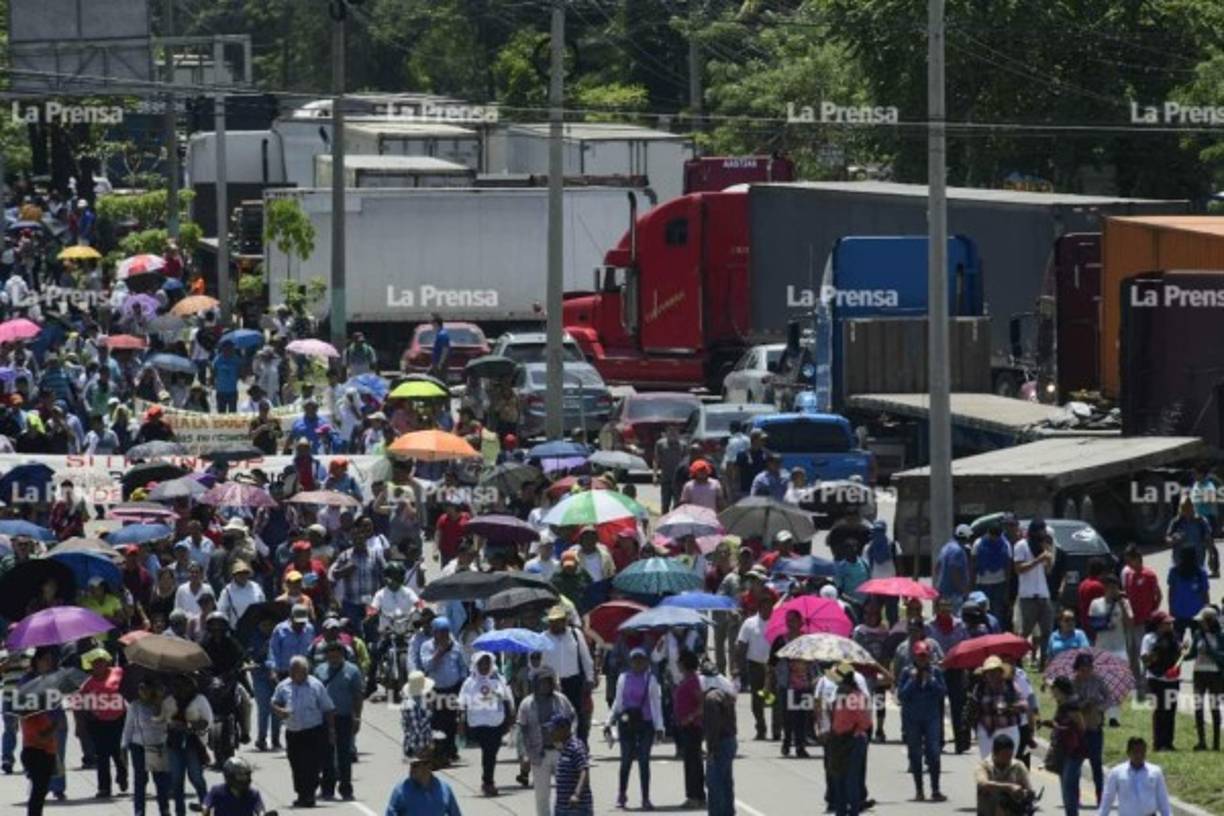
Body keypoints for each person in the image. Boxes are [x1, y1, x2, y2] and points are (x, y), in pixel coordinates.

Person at [272, 655, 335, 808]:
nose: (299, 674)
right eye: (295, 671)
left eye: (303, 671)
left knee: (311, 764)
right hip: (293, 732)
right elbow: (274, 702)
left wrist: (331, 730)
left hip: (313, 731)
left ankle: (309, 795)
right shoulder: (283, 686)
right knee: (296, 764)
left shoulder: (316, 685)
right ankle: (301, 794)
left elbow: (328, 708)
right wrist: (280, 711)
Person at [605, 647, 664, 810]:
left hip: (645, 724)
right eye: (635, 660)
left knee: (644, 762)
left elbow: (656, 705)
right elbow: (618, 703)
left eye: (641, 660)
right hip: (626, 724)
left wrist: (659, 727)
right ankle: (622, 795)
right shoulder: (623, 678)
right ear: (630, 662)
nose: (638, 663)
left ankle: (645, 798)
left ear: (646, 662)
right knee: (626, 761)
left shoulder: (651, 680)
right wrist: (608, 722)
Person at [516, 666, 575, 816]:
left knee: (565, 791)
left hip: (561, 753)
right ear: (535, 684)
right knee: (542, 795)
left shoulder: (561, 700)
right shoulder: (527, 703)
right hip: (539, 755)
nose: (545, 686)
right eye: (541, 682)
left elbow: (573, 718)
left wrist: (569, 740)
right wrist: (523, 754)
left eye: (548, 682)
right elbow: (521, 730)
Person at [458, 650, 514, 797]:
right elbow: (462, 703)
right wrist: (461, 722)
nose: (484, 666)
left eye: (487, 663)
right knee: (488, 752)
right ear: (476, 665)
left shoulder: (498, 680)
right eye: (481, 664)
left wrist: (510, 718)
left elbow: (507, 699)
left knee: (491, 753)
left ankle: (487, 781)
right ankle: (488, 782)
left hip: (496, 722)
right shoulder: (469, 682)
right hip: (478, 723)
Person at [314, 641, 363, 801]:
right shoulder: (319, 670)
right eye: (331, 656)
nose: (333, 659)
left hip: (344, 718)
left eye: (337, 656)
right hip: (324, 719)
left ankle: (346, 789)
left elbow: (357, 696)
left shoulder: (352, 671)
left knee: (344, 754)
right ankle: (327, 789)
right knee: (326, 755)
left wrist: (357, 717)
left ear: (342, 655)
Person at [898, 641, 946, 802]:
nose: (922, 660)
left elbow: (942, 693)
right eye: (919, 656)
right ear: (915, 656)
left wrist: (931, 680)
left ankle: (936, 789)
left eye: (925, 656)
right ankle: (919, 790)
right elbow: (901, 695)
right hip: (912, 718)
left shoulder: (935, 672)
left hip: (931, 717)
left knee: (934, 752)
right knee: (915, 753)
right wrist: (912, 681)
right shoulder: (906, 672)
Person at [541, 604, 595, 743]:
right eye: (552, 621)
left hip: (574, 682)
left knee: (578, 715)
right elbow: (538, 663)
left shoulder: (576, 635)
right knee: (554, 717)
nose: (554, 624)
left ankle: (580, 745)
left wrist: (590, 678)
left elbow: (586, 658)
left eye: (558, 621)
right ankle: (557, 745)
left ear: (565, 621)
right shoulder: (542, 637)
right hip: (551, 683)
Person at [77, 648, 128, 798]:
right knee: (102, 755)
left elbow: (129, 687)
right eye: (95, 663)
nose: (98, 665)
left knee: (118, 753)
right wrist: (80, 725)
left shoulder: (118, 673)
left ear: (107, 662)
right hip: (98, 723)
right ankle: (104, 788)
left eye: (101, 662)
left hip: (119, 720)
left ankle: (122, 776)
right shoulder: (88, 684)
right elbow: (80, 704)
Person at [417, 616, 468, 764]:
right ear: (434, 632)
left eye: (446, 631)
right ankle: (439, 752)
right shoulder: (426, 647)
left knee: (452, 721)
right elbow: (427, 666)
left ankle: (451, 750)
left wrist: (463, 684)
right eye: (441, 632)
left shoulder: (456, 646)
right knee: (437, 721)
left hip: (453, 689)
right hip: (435, 690)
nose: (445, 635)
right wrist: (440, 652)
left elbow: (462, 666)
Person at [826, 662, 872, 816]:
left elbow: (865, 722)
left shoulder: (856, 696)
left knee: (851, 780)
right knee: (839, 779)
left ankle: (853, 812)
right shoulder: (839, 695)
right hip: (838, 741)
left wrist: (854, 730)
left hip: (853, 741)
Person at [163, 674, 212, 816]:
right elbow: (162, 723)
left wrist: (189, 726)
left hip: (193, 744)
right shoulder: (169, 701)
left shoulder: (200, 700)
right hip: (174, 744)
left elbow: (207, 722)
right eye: (177, 686)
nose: (180, 689)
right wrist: (171, 725)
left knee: (196, 777)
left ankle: (205, 808)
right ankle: (180, 812)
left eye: (184, 685)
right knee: (176, 780)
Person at [735, 592, 780, 741]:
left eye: (770, 607)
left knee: (775, 699)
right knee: (757, 699)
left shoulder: (777, 622)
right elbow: (741, 644)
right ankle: (761, 728)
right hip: (755, 665)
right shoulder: (749, 623)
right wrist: (737, 666)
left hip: (774, 665)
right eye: (765, 607)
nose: (768, 610)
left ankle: (776, 730)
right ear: (759, 608)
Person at [1041, 676, 1087, 816]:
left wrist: (1057, 726)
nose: (1052, 692)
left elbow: (1081, 727)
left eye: (1054, 689)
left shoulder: (1071, 705)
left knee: (1068, 787)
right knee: (1067, 786)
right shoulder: (1063, 703)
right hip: (1063, 750)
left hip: (1074, 751)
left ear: (1060, 690)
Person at [1121, 545, 1162, 700]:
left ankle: (1146, 683)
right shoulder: (1128, 575)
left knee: (1143, 653)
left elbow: (1158, 595)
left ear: (1137, 558)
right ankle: (1135, 683)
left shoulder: (1149, 575)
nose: (1127, 563)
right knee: (1131, 653)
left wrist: (1152, 612)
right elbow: (1127, 595)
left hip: (1144, 621)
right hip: (1130, 622)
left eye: (1129, 560)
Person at [1096, 736, 1172, 816]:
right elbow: (1108, 798)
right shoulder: (1117, 773)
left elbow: (1163, 799)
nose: (1139, 755)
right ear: (1128, 753)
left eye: (1142, 752)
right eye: (1135, 752)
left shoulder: (1155, 772)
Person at [1071, 652, 1111, 804]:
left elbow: (1108, 698)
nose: (1086, 671)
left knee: (1096, 763)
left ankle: (1100, 794)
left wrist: (1100, 707)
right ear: (1077, 668)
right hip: (1078, 729)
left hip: (1094, 727)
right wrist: (1082, 704)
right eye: (1082, 668)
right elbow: (1068, 704)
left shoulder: (1098, 680)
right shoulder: (1072, 683)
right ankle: (1075, 794)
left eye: (1089, 668)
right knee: (1076, 764)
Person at [1013, 524, 1055, 666]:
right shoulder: (1021, 545)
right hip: (1028, 596)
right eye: (1040, 530)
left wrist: (1048, 559)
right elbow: (1019, 569)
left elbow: (1048, 571)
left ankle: (1043, 662)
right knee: (1025, 632)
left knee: (1046, 631)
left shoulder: (1043, 545)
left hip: (1044, 594)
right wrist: (1038, 560)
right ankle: (1017, 660)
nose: (1042, 533)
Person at [1140, 611, 1182, 751]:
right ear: (1158, 625)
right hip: (1156, 679)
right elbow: (1145, 659)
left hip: (1172, 679)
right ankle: (1158, 743)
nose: (1170, 625)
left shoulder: (1174, 637)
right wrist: (1157, 651)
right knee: (1160, 711)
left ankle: (1169, 742)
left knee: (1171, 711)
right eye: (1166, 623)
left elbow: (1179, 656)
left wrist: (1182, 650)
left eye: (1170, 623)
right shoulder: (1149, 638)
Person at [970, 655, 1026, 760]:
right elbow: (973, 709)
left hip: (1008, 729)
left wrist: (1008, 706)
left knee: (1008, 762)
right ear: (985, 674)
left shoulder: (1011, 686)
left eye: (995, 671)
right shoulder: (979, 688)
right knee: (987, 763)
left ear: (1001, 672)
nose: (992, 675)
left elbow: (1024, 706)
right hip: (986, 731)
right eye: (989, 672)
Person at [386, 741, 463, 816]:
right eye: (411, 765)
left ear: (428, 765)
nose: (411, 770)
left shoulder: (445, 790)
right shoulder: (401, 790)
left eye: (415, 766)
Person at [1184, 604, 1223, 751]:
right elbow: (1193, 653)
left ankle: (1216, 743)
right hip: (1199, 673)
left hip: (1215, 674)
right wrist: (1183, 653)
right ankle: (1201, 741)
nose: (1200, 624)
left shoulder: (1221, 636)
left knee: (1214, 707)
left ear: (1211, 621)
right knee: (1198, 707)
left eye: (1203, 621)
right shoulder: (1198, 634)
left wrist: (1210, 651)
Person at [672, 650, 706, 807]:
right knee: (691, 761)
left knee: (693, 763)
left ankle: (695, 796)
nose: (677, 664)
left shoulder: (693, 681)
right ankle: (696, 795)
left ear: (684, 663)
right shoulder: (686, 680)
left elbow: (702, 704)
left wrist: (690, 717)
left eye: (679, 662)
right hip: (685, 726)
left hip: (692, 727)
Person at [703, 673, 738, 816]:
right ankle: (728, 812)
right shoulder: (725, 696)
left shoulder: (710, 700)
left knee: (714, 782)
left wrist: (711, 749)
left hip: (720, 742)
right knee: (726, 781)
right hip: (730, 740)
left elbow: (713, 727)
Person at [975, 734, 1033, 816]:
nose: (1008, 758)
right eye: (1004, 755)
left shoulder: (1018, 766)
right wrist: (1009, 787)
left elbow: (1029, 790)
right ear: (994, 752)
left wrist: (1023, 793)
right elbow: (983, 784)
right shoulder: (984, 766)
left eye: (1010, 755)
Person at [551, 712, 592, 816]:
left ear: (563, 729)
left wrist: (576, 794)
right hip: (562, 807)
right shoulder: (564, 748)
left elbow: (584, 771)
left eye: (554, 729)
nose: (551, 732)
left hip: (577, 809)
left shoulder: (575, 747)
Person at [1167, 547, 1211, 640]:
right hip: (1195, 612)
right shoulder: (1200, 572)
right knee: (1198, 641)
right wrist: (1207, 608)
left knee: (1177, 641)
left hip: (1180, 612)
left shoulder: (1174, 571)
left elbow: (1171, 592)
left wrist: (1170, 608)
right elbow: (1205, 593)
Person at [201, 757, 267, 816]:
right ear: (230, 776)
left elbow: (260, 808)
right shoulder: (217, 791)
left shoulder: (253, 793)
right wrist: (205, 809)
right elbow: (206, 803)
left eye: (247, 774)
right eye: (240, 775)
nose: (245, 778)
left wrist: (262, 814)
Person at [934, 524, 974, 612]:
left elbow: (937, 567)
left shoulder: (946, 547)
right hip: (954, 593)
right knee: (956, 618)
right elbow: (955, 571)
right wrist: (963, 590)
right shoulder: (958, 551)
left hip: (942, 591)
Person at [654, 425, 685, 514]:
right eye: (670, 431)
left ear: (678, 433)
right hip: (666, 479)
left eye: (675, 431)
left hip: (679, 480)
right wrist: (655, 476)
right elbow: (656, 460)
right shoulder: (660, 444)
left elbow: (686, 461)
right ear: (666, 433)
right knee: (665, 504)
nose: (672, 433)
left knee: (678, 504)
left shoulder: (683, 445)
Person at [428, 313, 450, 378]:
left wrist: (440, 364)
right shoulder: (440, 334)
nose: (432, 326)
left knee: (439, 380)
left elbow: (445, 350)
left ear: (436, 324)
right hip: (436, 364)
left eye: (432, 324)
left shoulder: (442, 335)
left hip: (440, 365)